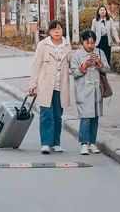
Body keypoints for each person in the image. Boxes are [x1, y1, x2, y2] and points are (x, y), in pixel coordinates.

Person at [28, 20, 71, 154]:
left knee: (58, 115)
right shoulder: (43, 45)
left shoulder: (67, 45)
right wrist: (32, 85)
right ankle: (45, 143)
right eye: (54, 29)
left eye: (59, 29)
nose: (57, 31)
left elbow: (70, 65)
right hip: (45, 84)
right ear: (50, 32)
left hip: (61, 85)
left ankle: (55, 142)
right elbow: (36, 65)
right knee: (46, 114)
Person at [71, 30, 108, 155]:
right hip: (83, 89)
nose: (90, 46)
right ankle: (84, 143)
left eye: (92, 43)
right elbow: (74, 73)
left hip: (97, 88)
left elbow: (107, 68)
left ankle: (92, 142)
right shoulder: (76, 54)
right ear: (83, 41)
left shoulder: (99, 52)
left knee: (95, 117)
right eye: (88, 43)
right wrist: (84, 67)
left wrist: (99, 63)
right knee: (85, 117)